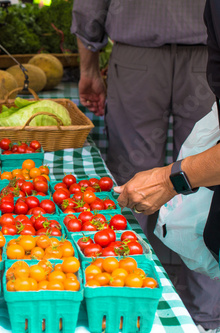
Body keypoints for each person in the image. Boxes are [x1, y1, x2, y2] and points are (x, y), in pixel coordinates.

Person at [72, 1, 220, 331]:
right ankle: (207, 318)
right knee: (208, 188)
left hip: (139, 57)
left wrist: (88, 68)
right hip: (205, 56)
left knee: (129, 184)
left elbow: (89, 6)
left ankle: (119, 297)